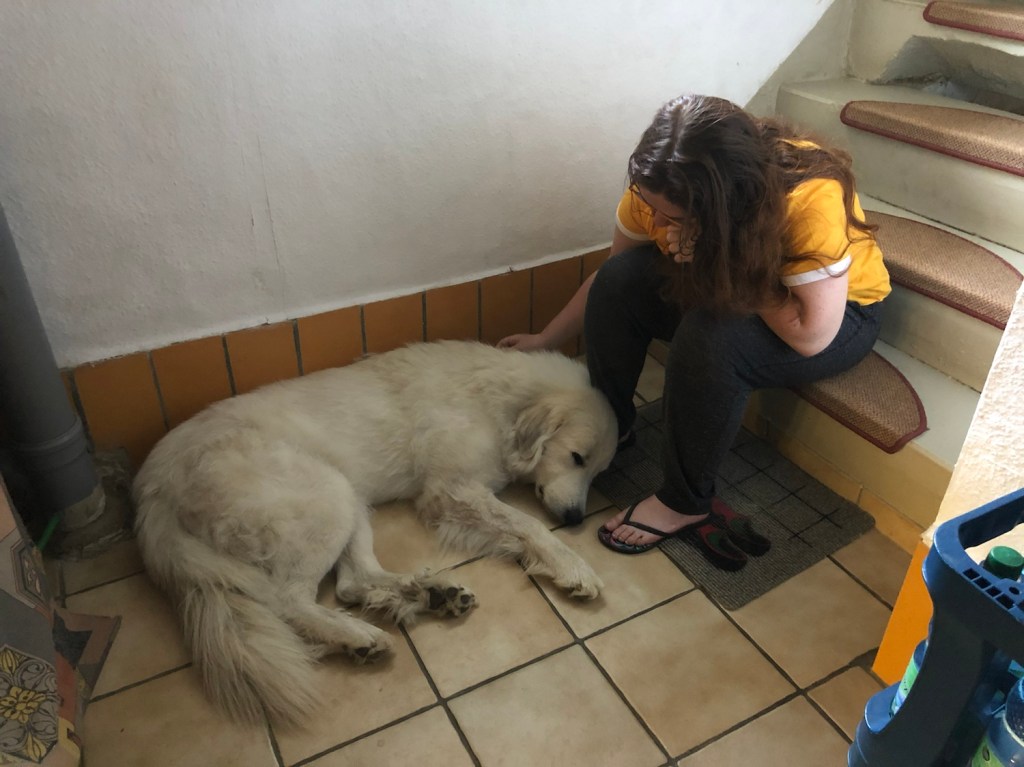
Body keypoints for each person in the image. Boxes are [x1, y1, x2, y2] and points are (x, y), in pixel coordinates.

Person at [498, 94, 890, 556]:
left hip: (836, 317)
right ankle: (613, 424)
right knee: (622, 278)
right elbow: (612, 281)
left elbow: (811, 335)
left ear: (723, 208)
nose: (655, 221)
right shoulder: (658, 186)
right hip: (731, 277)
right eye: (650, 206)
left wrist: (722, 260)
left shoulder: (808, 198)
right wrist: (546, 339)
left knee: (710, 334)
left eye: (672, 218)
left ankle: (684, 501)